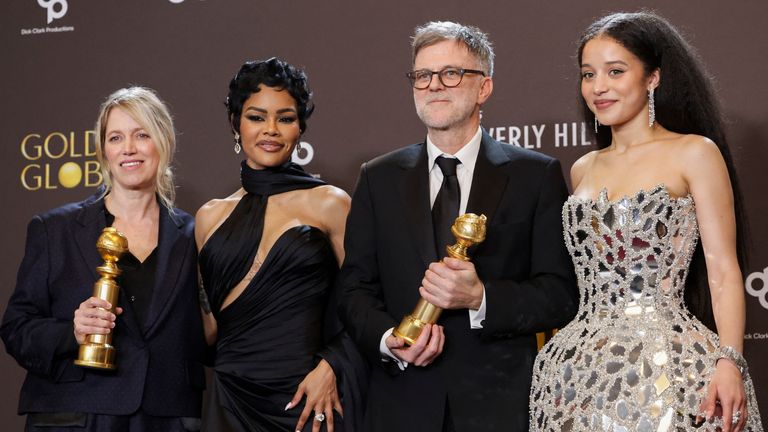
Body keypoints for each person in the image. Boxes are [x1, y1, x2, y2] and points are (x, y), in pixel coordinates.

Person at [337, 21, 578, 431]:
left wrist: (481, 298)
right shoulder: (378, 178)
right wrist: (389, 339)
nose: (434, 85)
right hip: (401, 403)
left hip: (498, 405)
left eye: (451, 73)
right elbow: (354, 288)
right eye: (423, 76)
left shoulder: (534, 176)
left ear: (484, 87)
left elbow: (560, 294)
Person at [529, 11, 763, 432]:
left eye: (615, 71)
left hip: (669, 365)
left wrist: (730, 360)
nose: (598, 87)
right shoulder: (583, 168)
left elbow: (724, 271)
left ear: (652, 77)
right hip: (581, 371)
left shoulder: (693, 153)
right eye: (588, 74)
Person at [1, 87, 206, 431]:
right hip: (77, 416)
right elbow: (16, 328)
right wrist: (73, 332)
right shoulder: (55, 230)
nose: (128, 148)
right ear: (103, 151)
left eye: (142, 135)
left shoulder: (196, 234)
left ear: (164, 142)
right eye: (116, 137)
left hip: (165, 417)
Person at [195, 57, 366, 432]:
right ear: (236, 124)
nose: (270, 130)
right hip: (230, 401)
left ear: (300, 128)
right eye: (257, 117)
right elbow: (207, 329)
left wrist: (333, 365)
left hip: (308, 396)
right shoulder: (209, 217)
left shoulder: (330, 203)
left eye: (285, 118)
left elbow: (365, 303)